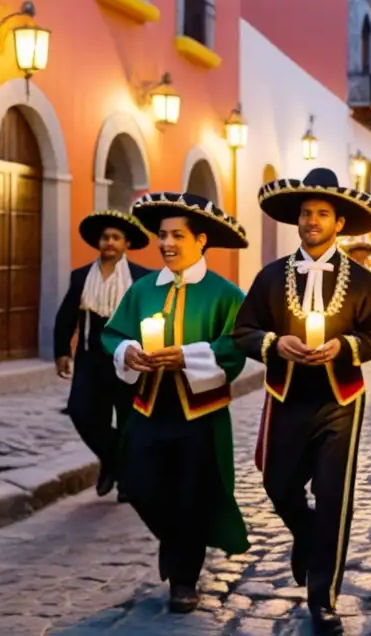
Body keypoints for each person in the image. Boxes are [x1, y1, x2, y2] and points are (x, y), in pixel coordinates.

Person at [233, 167, 371, 635]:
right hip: (286, 397)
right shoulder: (270, 277)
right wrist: (272, 344)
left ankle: (322, 597)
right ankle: (304, 536)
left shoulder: (364, 281)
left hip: (340, 401)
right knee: (277, 486)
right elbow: (242, 331)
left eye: (322, 213)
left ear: (339, 223)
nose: (312, 221)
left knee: (333, 497)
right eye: (306, 213)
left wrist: (345, 347)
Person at [102, 192, 251, 613]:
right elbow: (112, 333)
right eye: (162, 235)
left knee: (191, 494)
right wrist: (128, 350)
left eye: (177, 236)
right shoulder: (143, 289)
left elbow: (234, 347)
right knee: (137, 485)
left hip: (200, 414)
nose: (166, 243)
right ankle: (180, 543)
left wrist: (187, 356)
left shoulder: (226, 294)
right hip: (149, 407)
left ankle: (183, 579)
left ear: (201, 240)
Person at [54, 210, 153, 499]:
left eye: (116, 237)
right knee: (81, 412)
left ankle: (126, 482)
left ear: (126, 244)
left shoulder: (141, 279)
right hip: (90, 358)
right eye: (105, 237)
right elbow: (65, 317)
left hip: (128, 358)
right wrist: (62, 352)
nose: (109, 242)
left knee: (127, 421)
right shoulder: (81, 276)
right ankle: (115, 461)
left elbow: (151, 318)